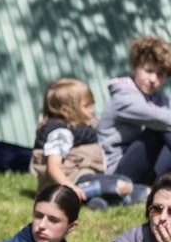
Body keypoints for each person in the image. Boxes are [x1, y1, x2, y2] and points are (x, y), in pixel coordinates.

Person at [30, 77, 144, 211]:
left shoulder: (78, 125)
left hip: (84, 177)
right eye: (86, 106)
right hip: (69, 182)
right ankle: (127, 193)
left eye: (92, 105)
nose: (92, 110)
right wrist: (71, 188)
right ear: (65, 110)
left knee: (120, 181)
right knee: (119, 183)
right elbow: (53, 167)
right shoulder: (60, 132)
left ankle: (96, 200)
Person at [97, 35, 171, 186]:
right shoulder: (123, 98)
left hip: (147, 168)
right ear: (134, 66)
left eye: (160, 74)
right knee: (158, 129)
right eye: (148, 70)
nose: (153, 79)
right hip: (118, 172)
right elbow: (160, 118)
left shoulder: (159, 99)